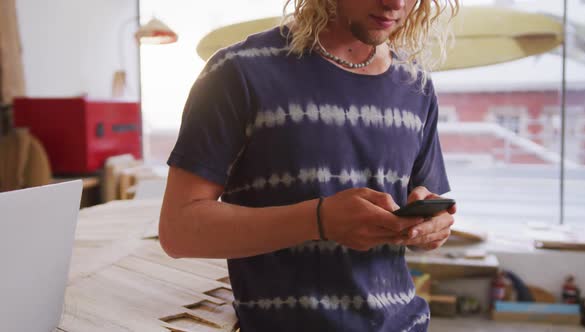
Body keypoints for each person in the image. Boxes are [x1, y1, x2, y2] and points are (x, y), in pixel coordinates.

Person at [160, 0, 458, 331]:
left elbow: (428, 199)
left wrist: (431, 224)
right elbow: (179, 231)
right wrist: (318, 220)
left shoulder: (415, 84)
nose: (395, 3)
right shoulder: (238, 72)